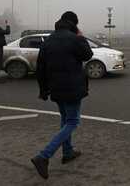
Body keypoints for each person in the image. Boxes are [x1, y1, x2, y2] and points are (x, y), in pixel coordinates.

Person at [31, 11, 93, 180]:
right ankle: (44, 156)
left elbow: (40, 68)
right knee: (73, 121)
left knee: (65, 119)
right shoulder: (74, 39)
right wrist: (81, 37)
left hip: (56, 89)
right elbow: (88, 55)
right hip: (72, 88)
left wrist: (43, 90)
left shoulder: (48, 41)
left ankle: (68, 152)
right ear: (74, 23)